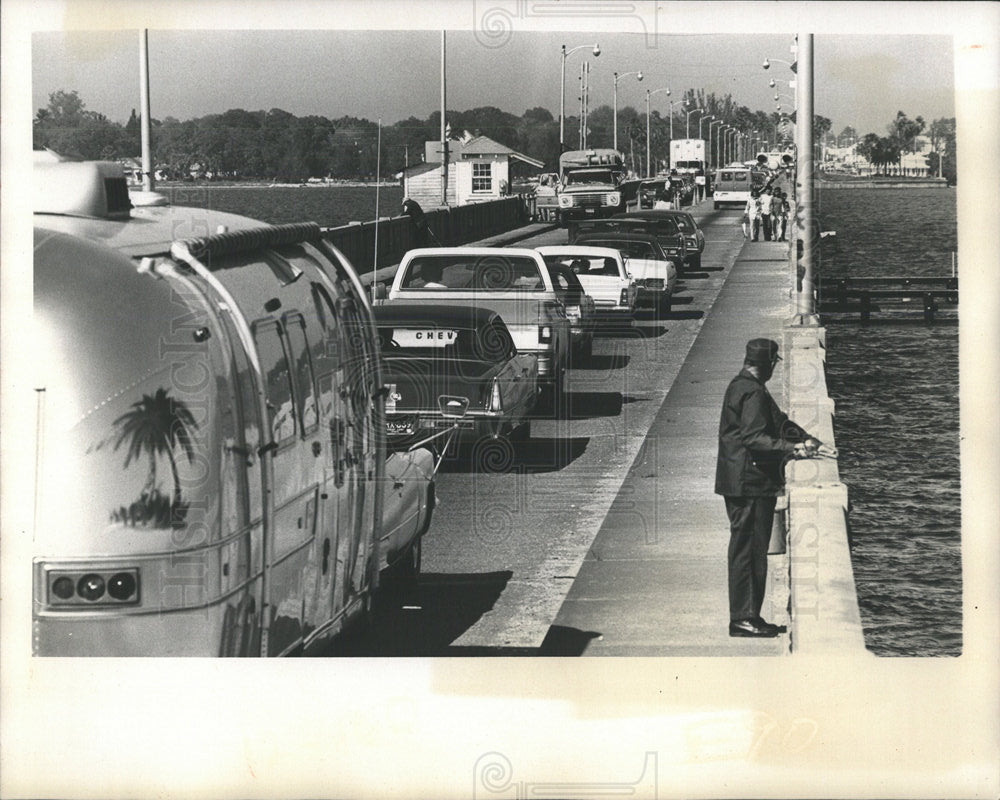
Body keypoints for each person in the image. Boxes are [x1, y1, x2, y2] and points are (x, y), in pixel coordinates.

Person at [715, 338, 821, 638]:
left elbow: (778, 421)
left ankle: (750, 615)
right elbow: (755, 438)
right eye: (774, 363)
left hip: (742, 481)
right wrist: (794, 448)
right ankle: (743, 618)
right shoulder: (752, 392)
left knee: (750, 551)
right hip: (747, 483)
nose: (775, 368)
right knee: (748, 552)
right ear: (767, 364)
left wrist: (809, 439)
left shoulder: (744, 387)